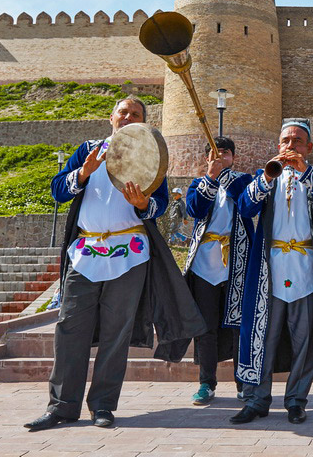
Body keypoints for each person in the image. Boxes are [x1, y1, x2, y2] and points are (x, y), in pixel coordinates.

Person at [25, 96, 206, 431]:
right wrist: (82, 173)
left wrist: (143, 203)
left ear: (143, 121)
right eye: (123, 112)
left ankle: (103, 405)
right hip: (87, 250)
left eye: (135, 114)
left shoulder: (150, 153)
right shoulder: (88, 150)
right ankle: (62, 407)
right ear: (112, 117)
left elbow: (160, 205)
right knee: (69, 328)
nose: (127, 116)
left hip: (129, 253)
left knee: (116, 331)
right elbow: (57, 191)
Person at [232, 118, 313, 425]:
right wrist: (266, 179)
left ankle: (296, 400)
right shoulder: (266, 175)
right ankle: (257, 399)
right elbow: (244, 208)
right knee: (263, 336)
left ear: (308, 147)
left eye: (296, 141)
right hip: (270, 269)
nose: (290, 145)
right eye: (285, 141)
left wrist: (305, 172)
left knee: (304, 339)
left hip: (306, 267)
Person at [155, 137, 254, 406]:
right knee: (206, 328)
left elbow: (248, 204)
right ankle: (206, 383)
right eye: (214, 153)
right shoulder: (199, 184)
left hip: (237, 264)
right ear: (206, 158)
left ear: (234, 156)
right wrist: (211, 178)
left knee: (238, 326)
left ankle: (244, 383)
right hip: (204, 265)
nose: (219, 157)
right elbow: (195, 209)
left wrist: (227, 177)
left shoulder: (244, 181)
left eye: (225, 153)